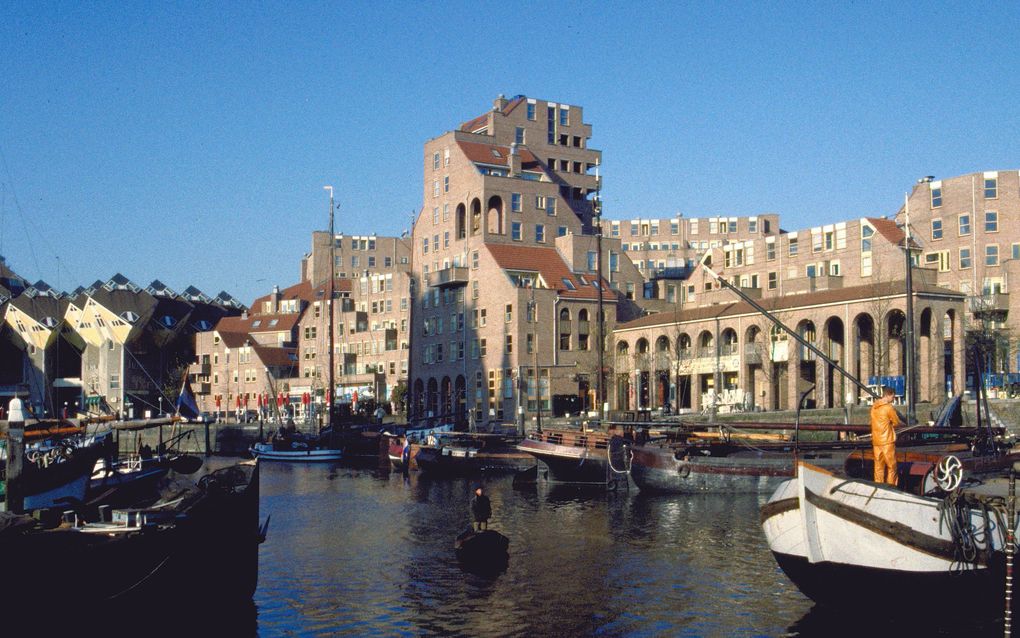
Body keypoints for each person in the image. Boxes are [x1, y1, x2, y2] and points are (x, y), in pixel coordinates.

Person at [869, 386, 901, 486]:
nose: (893, 399)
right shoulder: (889, 408)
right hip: (887, 442)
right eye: (893, 397)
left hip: (876, 442)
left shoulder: (874, 407)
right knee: (892, 467)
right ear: (888, 395)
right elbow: (896, 422)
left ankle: (878, 487)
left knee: (878, 468)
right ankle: (891, 488)